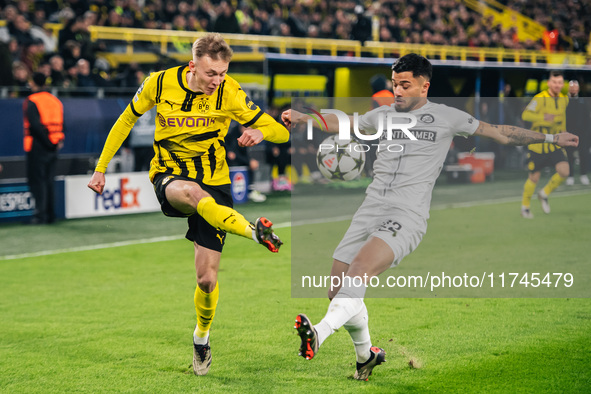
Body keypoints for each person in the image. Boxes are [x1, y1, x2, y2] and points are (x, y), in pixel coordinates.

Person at [281, 54, 579, 381]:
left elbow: (501, 133)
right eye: (395, 84)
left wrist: (550, 138)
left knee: (359, 271)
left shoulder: (447, 117)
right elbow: (343, 121)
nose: (397, 91)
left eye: (405, 85)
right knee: (337, 292)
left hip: (407, 214)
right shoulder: (383, 115)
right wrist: (304, 115)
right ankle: (366, 357)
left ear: (425, 86)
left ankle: (318, 334)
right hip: (369, 207)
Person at [87, 33, 288, 376]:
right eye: (211, 73)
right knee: (195, 194)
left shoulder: (231, 91)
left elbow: (280, 132)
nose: (217, 81)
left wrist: (263, 132)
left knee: (207, 280)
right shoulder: (160, 83)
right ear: (192, 66)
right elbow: (125, 121)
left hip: (216, 180)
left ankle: (201, 338)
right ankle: (255, 234)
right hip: (170, 176)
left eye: (223, 72)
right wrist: (101, 168)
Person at [520, 70, 570, 218]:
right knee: (534, 177)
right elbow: (526, 114)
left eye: (560, 82)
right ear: (549, 83)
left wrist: (564, 133)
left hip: (554, 144)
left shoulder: (564, 99)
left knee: (565, 171)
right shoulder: (539, 98)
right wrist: (543, 118)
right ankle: (525, 207)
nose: (557, 85)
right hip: (538, 145)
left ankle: (544, 193)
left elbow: (562, 119)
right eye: (554, 82)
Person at [23, 72, 64, 224]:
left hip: (38, 146)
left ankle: (40, 215)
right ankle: (51, 214)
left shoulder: (32, 100)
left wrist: (47, 142)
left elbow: (35, 126)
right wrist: (55, 142)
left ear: (33, 83)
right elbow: (62, 123)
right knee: (49, 180)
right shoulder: (55, 101)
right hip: (54, 146)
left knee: (38, 181)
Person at [565, 80, 590, 185]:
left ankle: (583, 175)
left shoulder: (583, 101)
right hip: (568, 132)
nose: (573, 89)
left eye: (575, 87)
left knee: (583, 153)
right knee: (569, 155)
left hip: (582, 133)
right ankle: (570, 176)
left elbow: (587, 118)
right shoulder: (564, 101)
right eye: (572, 87)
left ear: (578, 89)